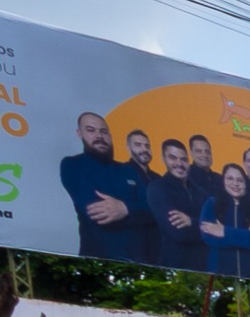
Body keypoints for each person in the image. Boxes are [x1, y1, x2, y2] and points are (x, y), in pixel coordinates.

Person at [57, 112, 149, 261]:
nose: (99, 136)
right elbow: (98, 212)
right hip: (98, 261)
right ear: (80, 134)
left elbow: (152, 207)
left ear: (110, 136)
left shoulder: (128, 170)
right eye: (91, 130)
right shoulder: (73, 165)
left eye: (103, 131)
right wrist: (137, 210)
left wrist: (125, 208)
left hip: (142, 261)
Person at [199, 163, 250, 278]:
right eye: (230, 178)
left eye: (240, 180)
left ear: (246, 184)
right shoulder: (211, 204)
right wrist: (249, 235)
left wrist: (224, 232)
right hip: (220, 275)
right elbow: (209, 238)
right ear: (223, 181)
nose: (235, 183)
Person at [149, 138, 206, 272]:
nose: (179, 163)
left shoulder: (200, 192)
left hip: (203, 267)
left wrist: (191, 221)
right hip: (174, 268)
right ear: (163, 159)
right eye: (173, 158)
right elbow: (179, 233)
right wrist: (205, 228)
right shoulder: (158, 188)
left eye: (183, 159)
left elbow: (219, 226)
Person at [121, 129, 164, 264]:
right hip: (135, 249)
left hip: (160, 248)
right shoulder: (121, 172)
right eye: (138, 145)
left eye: (147, 146)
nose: (144, 149)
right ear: (129, 148)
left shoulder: (158, 178)